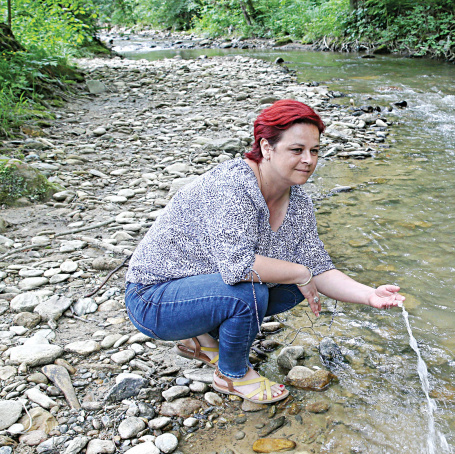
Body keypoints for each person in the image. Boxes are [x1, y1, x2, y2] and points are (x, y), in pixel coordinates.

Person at [125, 99, 404, 404]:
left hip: (199, 289)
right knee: (255, 290)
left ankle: (201, 337)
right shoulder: (233, 185)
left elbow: (318, 266)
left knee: (293, 288)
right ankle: (231, 375)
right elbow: (238, 267)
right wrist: (300, 272)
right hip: (152, 299)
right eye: (297, 150)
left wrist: (368, 295)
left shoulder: (298, 202)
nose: (308, 160)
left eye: (315, 151)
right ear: (267, 148)